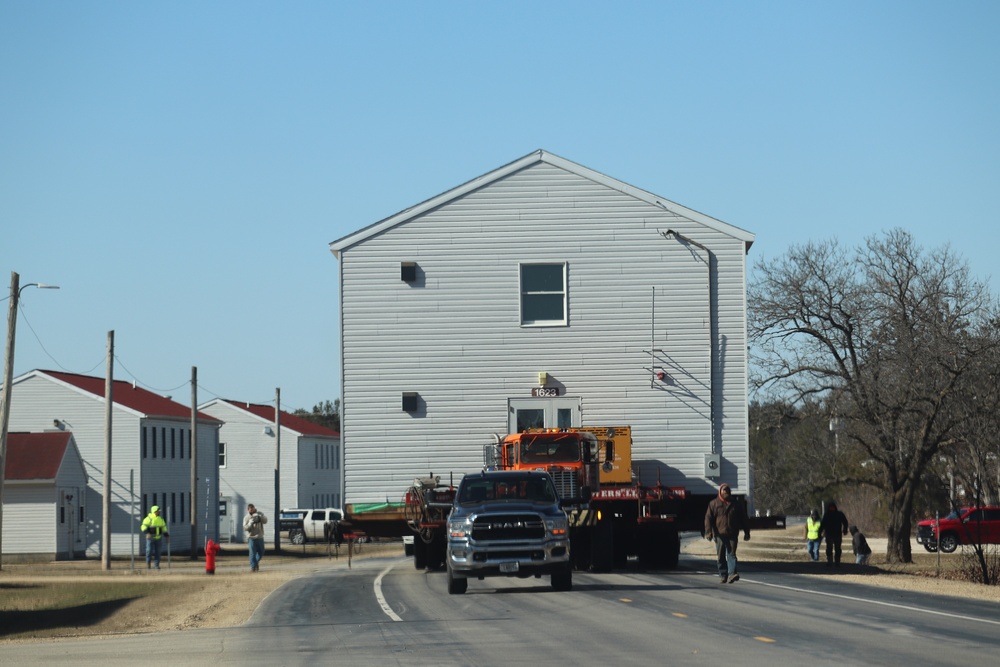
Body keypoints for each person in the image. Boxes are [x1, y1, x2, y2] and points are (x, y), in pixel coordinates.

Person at [704, 483, 750, 583]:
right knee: (720, 556)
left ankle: (732, 574)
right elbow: (708, 518)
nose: (725, 492)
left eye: (727, 490)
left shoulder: (736, 504)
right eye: (723, 490)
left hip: (732, 534)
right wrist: (708, 532)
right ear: (720, 491)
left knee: (731, 554)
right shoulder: (713, 504)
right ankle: (723, 575)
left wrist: (747, 532)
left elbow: (743, 518)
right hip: (719, 534)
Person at [819, 501, 849, 566]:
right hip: (832, 534)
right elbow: (822, 524)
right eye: (831, 508)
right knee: (833, 548)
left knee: (834, 548)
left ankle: (834, 562)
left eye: (832, 508)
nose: (832, 509)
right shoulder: (838, 514)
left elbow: (822, 524)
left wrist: (845, 529)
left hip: (833, 534)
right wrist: (845, 530)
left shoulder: (828, 514)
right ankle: (833, 562)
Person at [140, 505, 169, 570]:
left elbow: (164, 528)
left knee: (158, 552)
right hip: (150, 539)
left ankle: (156, 565)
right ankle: (148, 564)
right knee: (149, 551)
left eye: (159, 511)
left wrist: (166, 536)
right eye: (158, 511)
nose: (159, 512)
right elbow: (143, 526)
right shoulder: (148, 519)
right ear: (154, 511)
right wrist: (147, 533)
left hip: (158, 538)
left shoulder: (161, 519)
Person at [243, 504, 268, 572]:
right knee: (252, 553)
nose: (251, 510)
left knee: (261, 552)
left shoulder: (259, 514)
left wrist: (261, 518)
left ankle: (255, 563)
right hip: (251, 537)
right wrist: (250, 523)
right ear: (248, 510)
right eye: (250, 509)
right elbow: (245, 528)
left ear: (254, 508)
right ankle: (253, 567)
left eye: (252, 508)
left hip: (260, 536)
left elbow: (265, 521)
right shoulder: (246, 517)